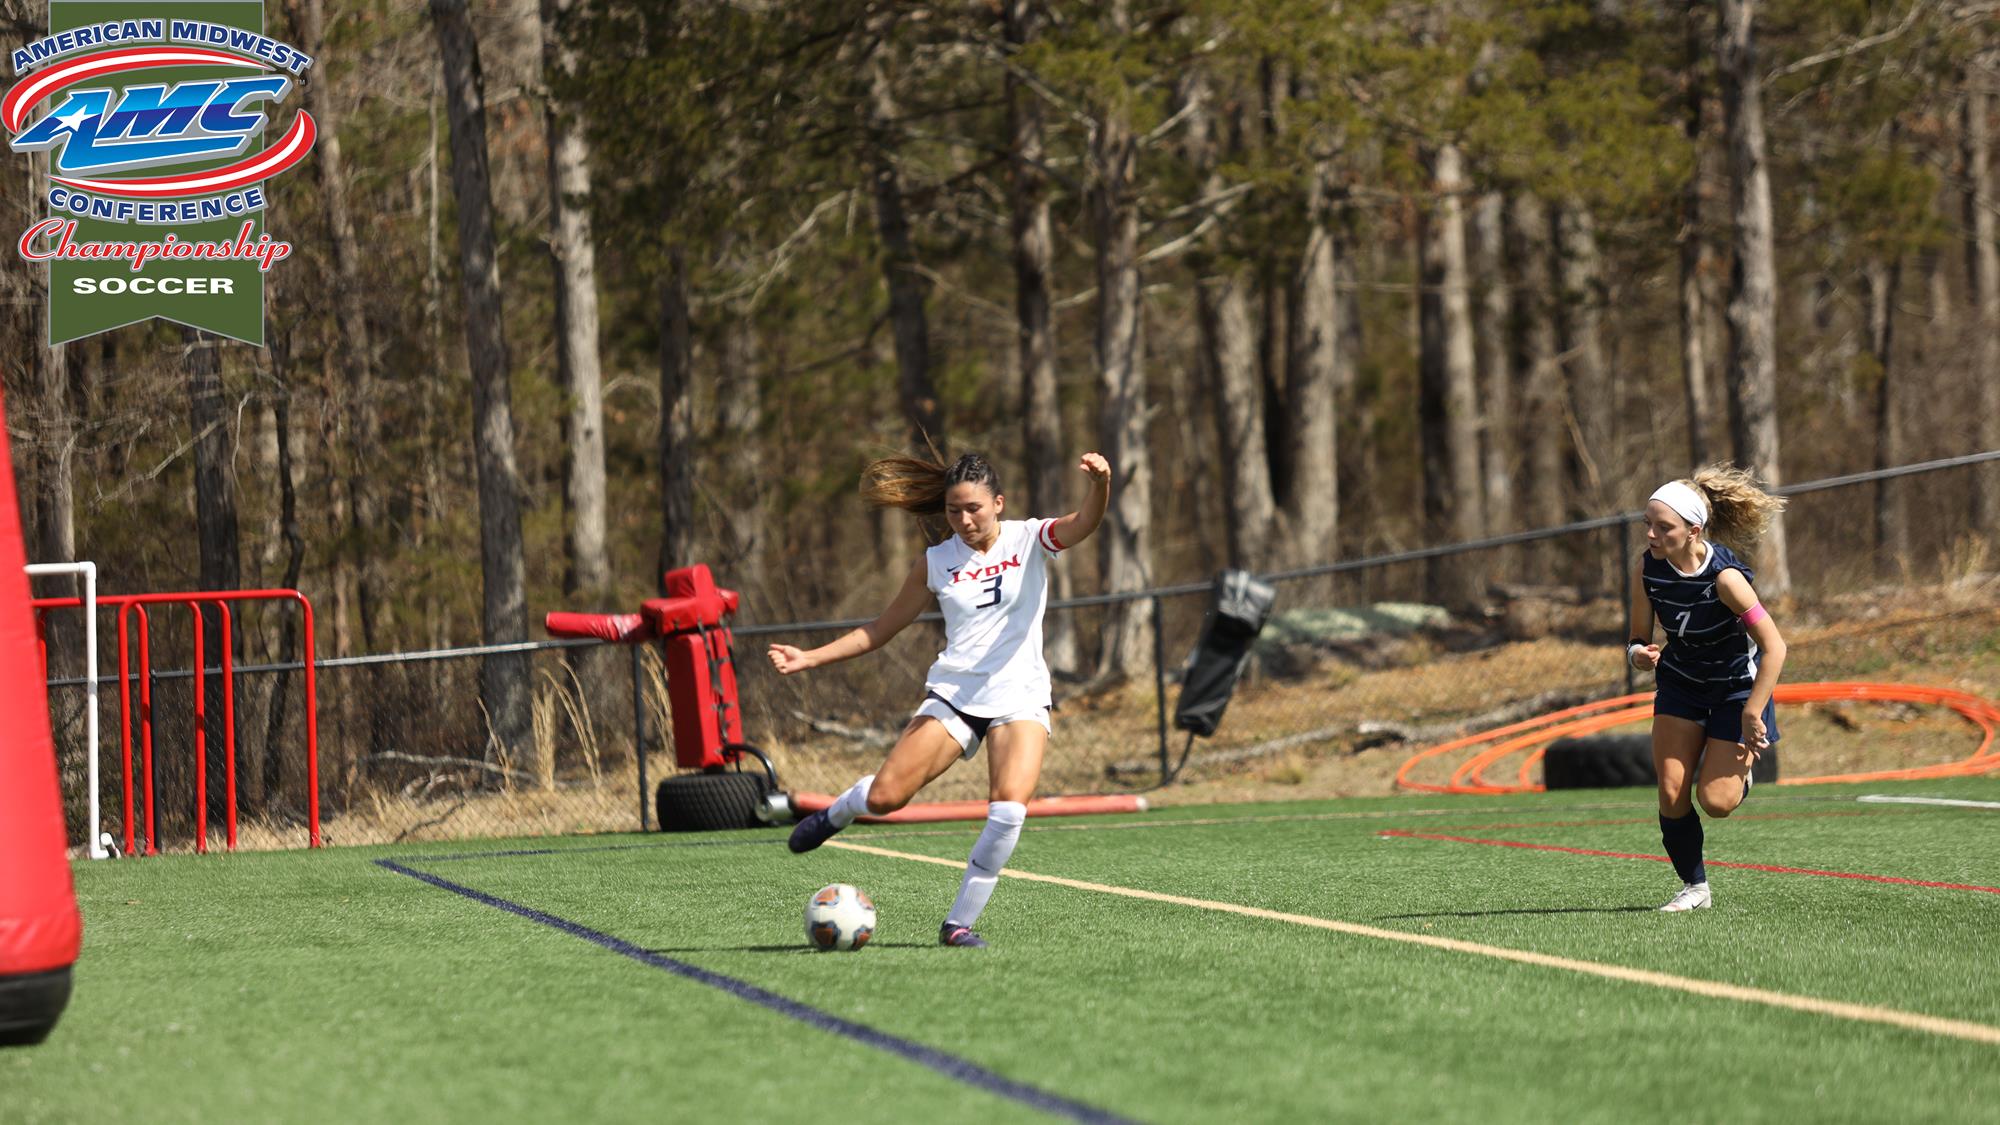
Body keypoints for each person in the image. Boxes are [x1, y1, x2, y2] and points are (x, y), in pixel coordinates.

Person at [769, 450, 1111, 947]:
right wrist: (811, 658)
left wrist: (1100, 484)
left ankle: (958, 924)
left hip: (1019, 695)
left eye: (974, 508)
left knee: (1009, 811)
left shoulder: (1030, 538)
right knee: (887, 798)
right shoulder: (936, 562)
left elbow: (1085, 522)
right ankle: (840, 810)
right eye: (954, 511)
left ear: (999, 502)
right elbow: (880, 629)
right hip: (955, 695)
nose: (965, 519)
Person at [1626, 464, 1788, 912]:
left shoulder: (1726, 580)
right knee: (1672, 790)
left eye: (1664, 527)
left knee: (1716, 801)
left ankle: (1740, 775)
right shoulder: (1646, 569)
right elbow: (1640, 637)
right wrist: (1637, 654)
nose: (1652, 536)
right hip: (1681, 684)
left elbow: (1774, 647)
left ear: (1694, 531)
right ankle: (1695, 887)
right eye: (1648, 525)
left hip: (1736, 690)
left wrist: (1754, 711)